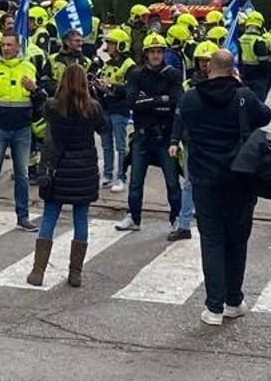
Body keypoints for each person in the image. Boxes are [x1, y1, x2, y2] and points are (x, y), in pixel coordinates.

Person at [172, 50, 270, 325]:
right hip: (239, 178)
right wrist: (241, 86)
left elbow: (185, 121)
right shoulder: (243, 96)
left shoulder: (191, 98)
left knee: (212, 241)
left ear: (207, 68)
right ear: (233, 69)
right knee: (237, 241)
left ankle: (213, 306)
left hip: (205, 179)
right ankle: (233, 300)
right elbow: (265, 116)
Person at [27, 64, 108, 288]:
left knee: (49, 217)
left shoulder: (54, 107)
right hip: (83, 170)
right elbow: (104, 128)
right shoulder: (92, 108)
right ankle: (75, 273)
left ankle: (38, 270)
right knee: (81, 219)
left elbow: (41, 107)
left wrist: (36, 91)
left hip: (58, 168)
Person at [117, 33, 188, 238]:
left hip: (165, 137)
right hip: (142, 135)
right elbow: (132, 102)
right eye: (152, 52)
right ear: (146, 54)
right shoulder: (136, 74)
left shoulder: (172, 74)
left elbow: (176, 102)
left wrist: (148, 100)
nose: (156, 55)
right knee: (136, 180)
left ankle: (176, 218)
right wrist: (161, 99)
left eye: (159, 52)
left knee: (172, 181)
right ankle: (133, 216)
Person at [0, 31, 41, 232]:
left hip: (22, 129)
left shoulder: (29, 68)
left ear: (18, 47)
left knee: (22, 176)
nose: (6, 48)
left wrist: (34, 88)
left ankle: (23, 217)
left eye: (10, 45)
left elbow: (40, 102)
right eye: (3, 45)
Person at [95, 28, 134, 192]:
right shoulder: (107, 64)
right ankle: (108, 175)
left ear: (121, 45)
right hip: (106, 108)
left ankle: (121, 177)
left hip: (120, 109)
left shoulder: (129, 65)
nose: (108, 46)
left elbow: (131, 90)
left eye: (111, 43)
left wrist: (111, 87)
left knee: (121, 146)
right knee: (106, 145)